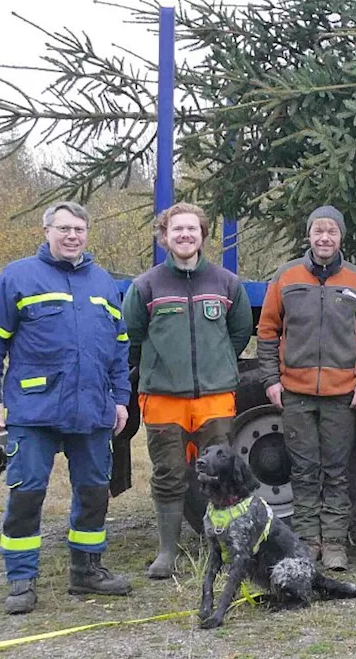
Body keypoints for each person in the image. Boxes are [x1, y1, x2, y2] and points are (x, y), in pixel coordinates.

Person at [0, 201, 134, 614]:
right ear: (47, 231)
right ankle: (22, 579)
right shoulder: (17, 277)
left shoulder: (103, 282)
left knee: (95, 491)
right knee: (27, 493)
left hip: (93, 409)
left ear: (87, 233)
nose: (72, 236)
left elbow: (119, 349)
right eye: (63, 228)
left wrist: (119, 399)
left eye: (79, 229)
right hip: (34, 409)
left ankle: (86, 570)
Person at [122, 202, 253, 579]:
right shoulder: (146, 285)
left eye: (192, 229)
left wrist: (217, 363)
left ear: (202, 235)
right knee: (169, 472)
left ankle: (226, 544)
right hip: (163, 396)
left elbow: (239, 331)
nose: (184, 235)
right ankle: (167, 551)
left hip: (215, 395)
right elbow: (132, 335)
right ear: (164, 236)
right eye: (177, 229)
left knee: (222, 474)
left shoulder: (226, 282)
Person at [256, 205, 356, 571]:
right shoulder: (286, 276)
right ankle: (309, 541)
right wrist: (270, 380)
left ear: (341, 237)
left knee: (336, 470)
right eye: (318, 231)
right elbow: (267, 331)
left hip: (343, 394)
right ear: (308, 236)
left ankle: (336, 542)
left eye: (332, 232)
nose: (324, 238)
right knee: (304, 469)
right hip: (295, 392)